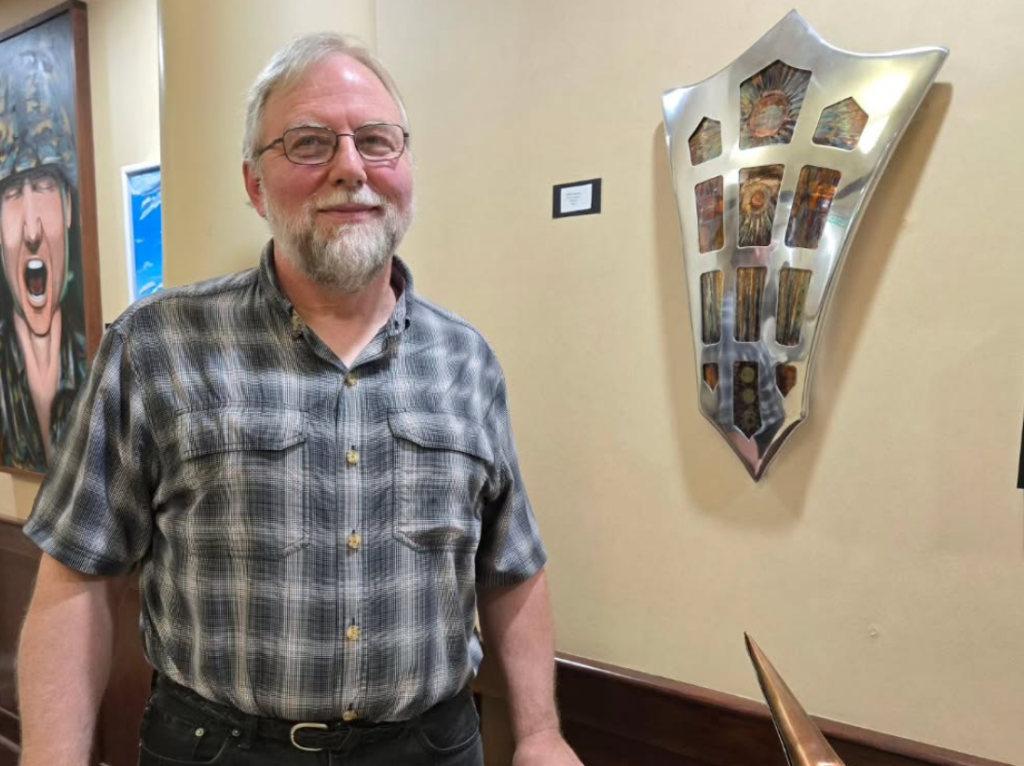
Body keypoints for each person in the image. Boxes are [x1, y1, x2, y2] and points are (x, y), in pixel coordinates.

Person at [17, 33, 583, 766]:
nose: (351, 168)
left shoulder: (467, 361)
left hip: (430, 747)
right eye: (309, 143)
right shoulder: (155, 347)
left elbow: (513, 566)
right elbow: (77, 577)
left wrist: (539, 732)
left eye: (376, 141)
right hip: (219, 750)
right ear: (255, 185)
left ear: (406, 167)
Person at [0, 61, 88, 472]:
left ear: (68, 206)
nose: (32, 229)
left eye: (44, 185)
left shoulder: (99, 368)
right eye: (11, 194)